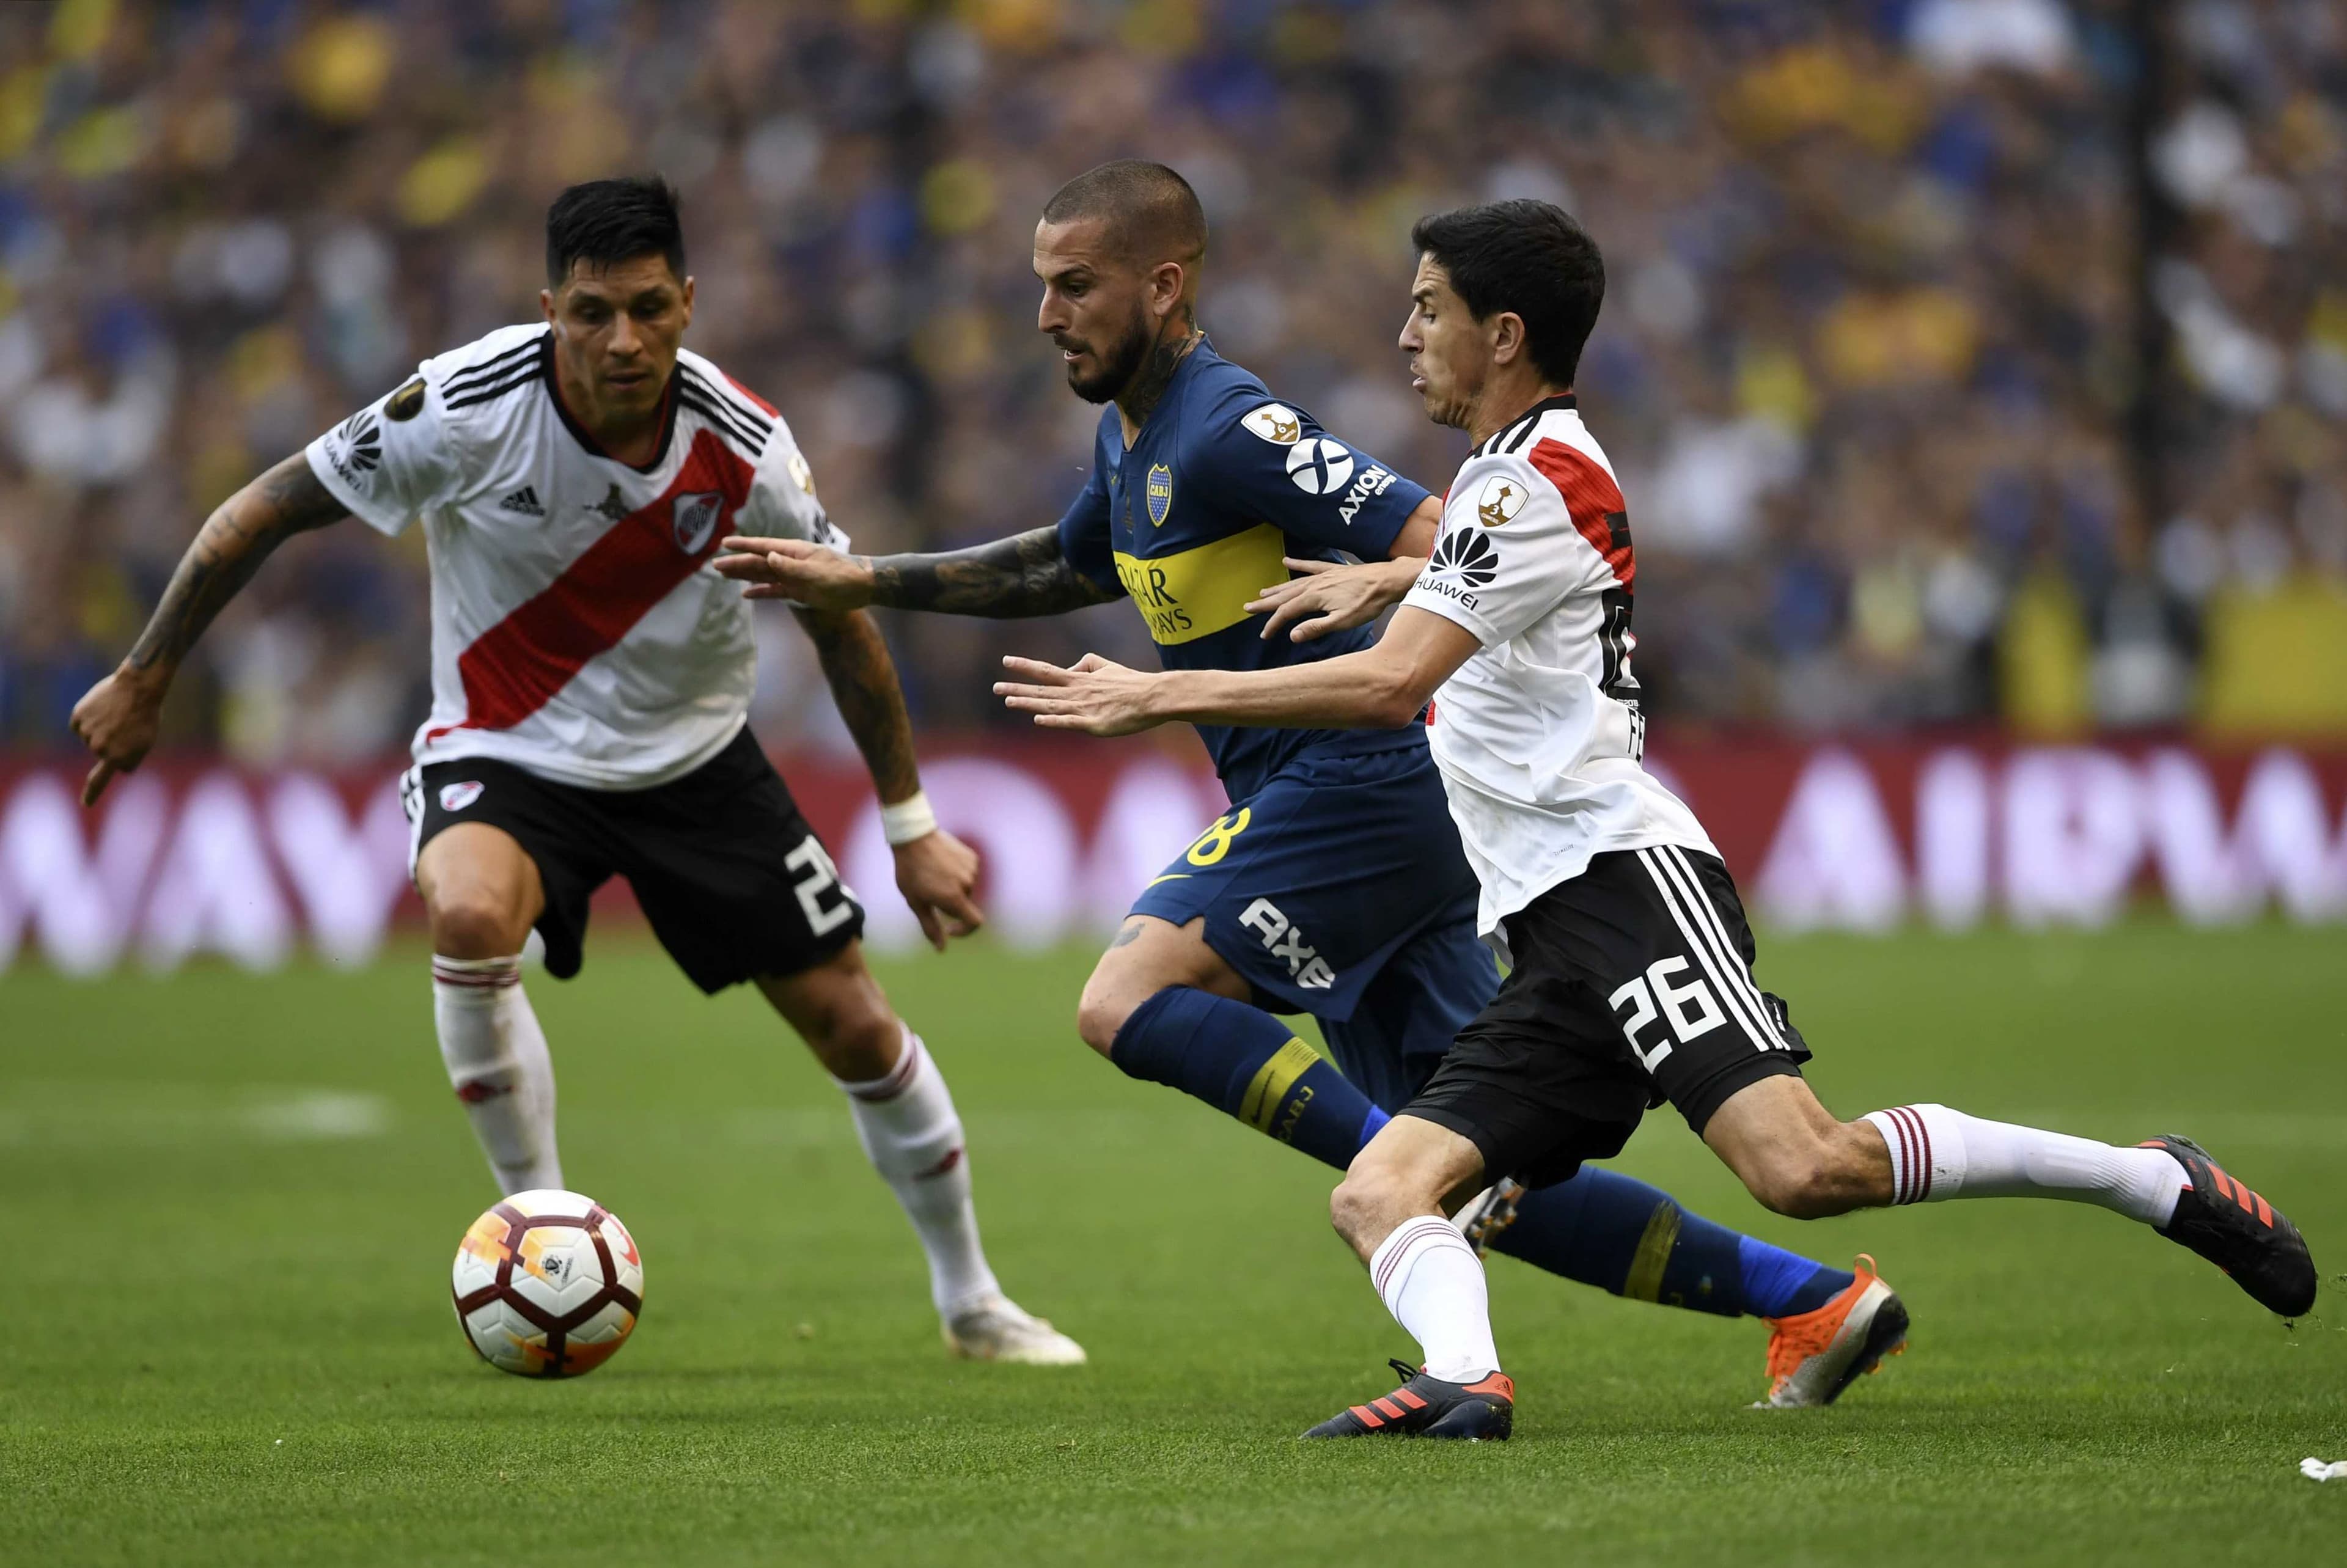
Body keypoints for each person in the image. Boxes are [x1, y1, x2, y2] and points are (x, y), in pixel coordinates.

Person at [991, 197, 2319, 1438]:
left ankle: (2153, 1178)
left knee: (1807, 1166)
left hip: (1625, 883)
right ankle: (1467, 1384)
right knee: (1385, 1190)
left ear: (1503, 335)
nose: (1406, 336)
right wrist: (1381, 577)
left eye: (1428, 309)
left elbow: (1402, 684)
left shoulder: (1534, 481)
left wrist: (1164, 689)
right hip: (1545, 924)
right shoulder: (1508, 476)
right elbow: (1449, 595)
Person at [718, 161, 1901, 1409]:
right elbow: (1060, 564)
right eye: (1041, 287)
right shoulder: (1133, 435)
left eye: (1075, 287)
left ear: (1162, 286)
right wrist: (865, 580)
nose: (1048, 314)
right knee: (1487, 1165)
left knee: (1127, 997)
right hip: (1373, 806)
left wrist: (1384, 585)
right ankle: (1811, 1297)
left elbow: (1446, 523)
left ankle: (1404, 1173)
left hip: (1363, 777)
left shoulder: (1230, 425)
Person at [68, 175, 1084, 1366]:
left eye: (650, 308)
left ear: (690, 301)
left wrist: (909, 821)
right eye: (593, 312)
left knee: (854, 1022)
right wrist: (146, 673)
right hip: (504, 748)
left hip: (695, 760)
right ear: (548, 306)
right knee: (465, 908)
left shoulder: (746, 447)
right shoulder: (458, 405)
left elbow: (842, 623)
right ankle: (543, 1233)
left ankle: (972, 1299)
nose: (624, 341)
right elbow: (263, 508)